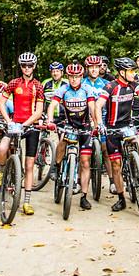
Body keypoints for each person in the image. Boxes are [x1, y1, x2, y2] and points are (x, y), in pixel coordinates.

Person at [46, 62, 100, 212]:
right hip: (69, 125)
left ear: (81, 76)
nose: (74, 79)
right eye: (71, 76)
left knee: (85, 162)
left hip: (85, 127)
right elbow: (52, 105)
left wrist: (96, 125)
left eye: (77, 76)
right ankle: (57, 167)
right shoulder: (63, 89)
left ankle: (84, 196)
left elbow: (92, 107)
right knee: (62, 141)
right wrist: (50, 120)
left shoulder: (87, 89)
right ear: (67, 77)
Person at [102, 58, 139, 212]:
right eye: (131, 71)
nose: (134, 73)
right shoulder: (111, 86)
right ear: (121, 72)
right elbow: (98, 105)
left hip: (128, 125)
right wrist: (99, 124)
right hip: (112, 128)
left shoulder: (134, 84)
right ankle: (121, 198)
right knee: (116, 165)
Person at [1, 52, 46, 215]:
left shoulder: (39, 86)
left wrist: (25, 124)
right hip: (15, 124)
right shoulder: (13, 83)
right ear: (20, 67)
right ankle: (2, 173)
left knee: (29, 165)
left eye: (30, 65)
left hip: (31, 126)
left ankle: (26, 202)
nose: (27, 68)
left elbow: (39, 111)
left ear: (34, 67)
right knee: (2, 148)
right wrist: (9, 121)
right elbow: (1, 102)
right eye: (24, 66)